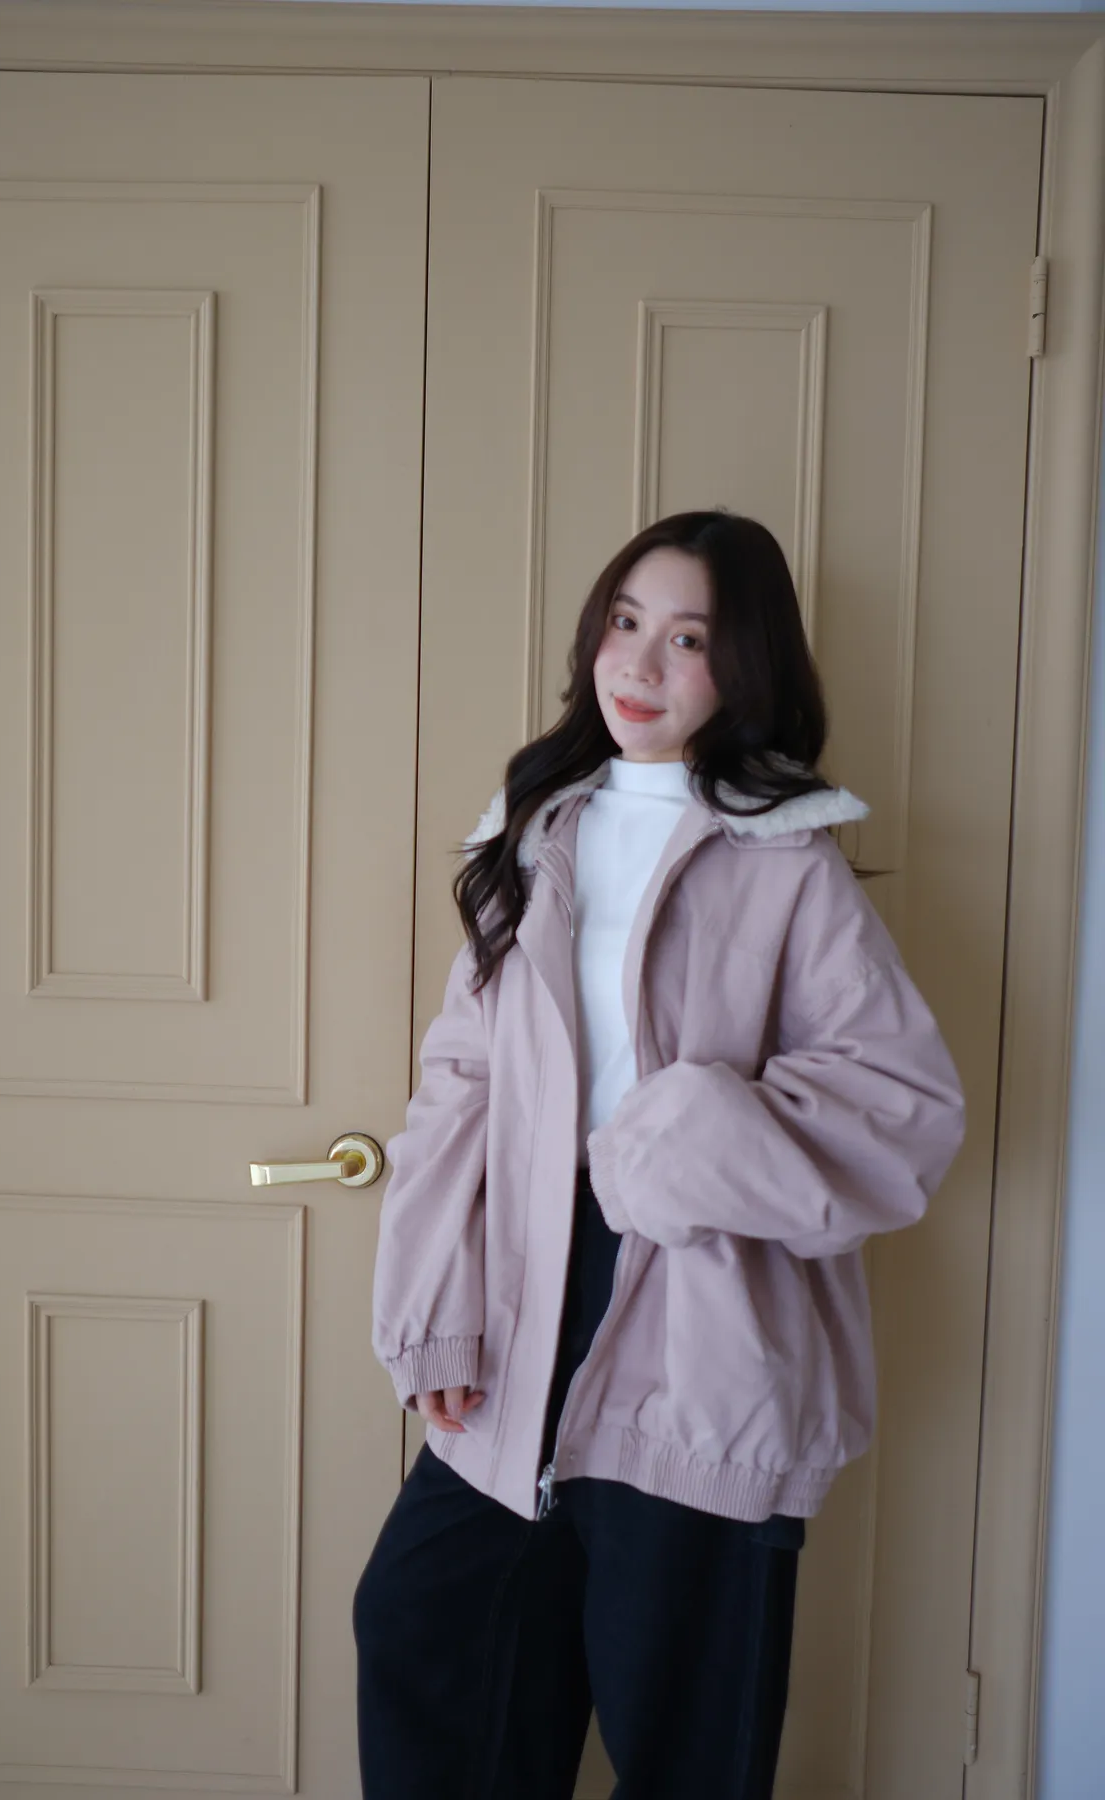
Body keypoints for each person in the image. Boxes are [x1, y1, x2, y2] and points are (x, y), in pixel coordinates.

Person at [352, 509, 967, 1800]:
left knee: (681, 1725)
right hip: (521, 1298)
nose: (640, 663)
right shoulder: (532, 837)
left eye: (689, 639)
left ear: (742, 667)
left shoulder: (787, 861)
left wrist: (676, 1142)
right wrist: (433, 1311)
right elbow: (458, 1090)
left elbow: (903, 1106)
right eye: (626, 623)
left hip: (705, 1315)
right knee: (428, 1633)